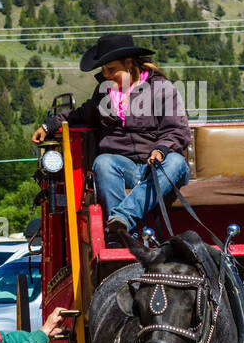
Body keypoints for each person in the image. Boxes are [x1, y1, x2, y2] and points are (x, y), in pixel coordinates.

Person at [32, 33, 191, 241]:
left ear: (128, 64)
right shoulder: (103, 93)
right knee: (104, 162)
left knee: (176, 161)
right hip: (125, 168)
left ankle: (121, 222)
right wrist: (49, 124)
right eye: (103, 70)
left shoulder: (161, 89)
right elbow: (80, 114)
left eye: (111, 69)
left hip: (158, 166)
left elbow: (177, 130)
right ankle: (127, 237)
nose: (106, 75)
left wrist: (160, 149)